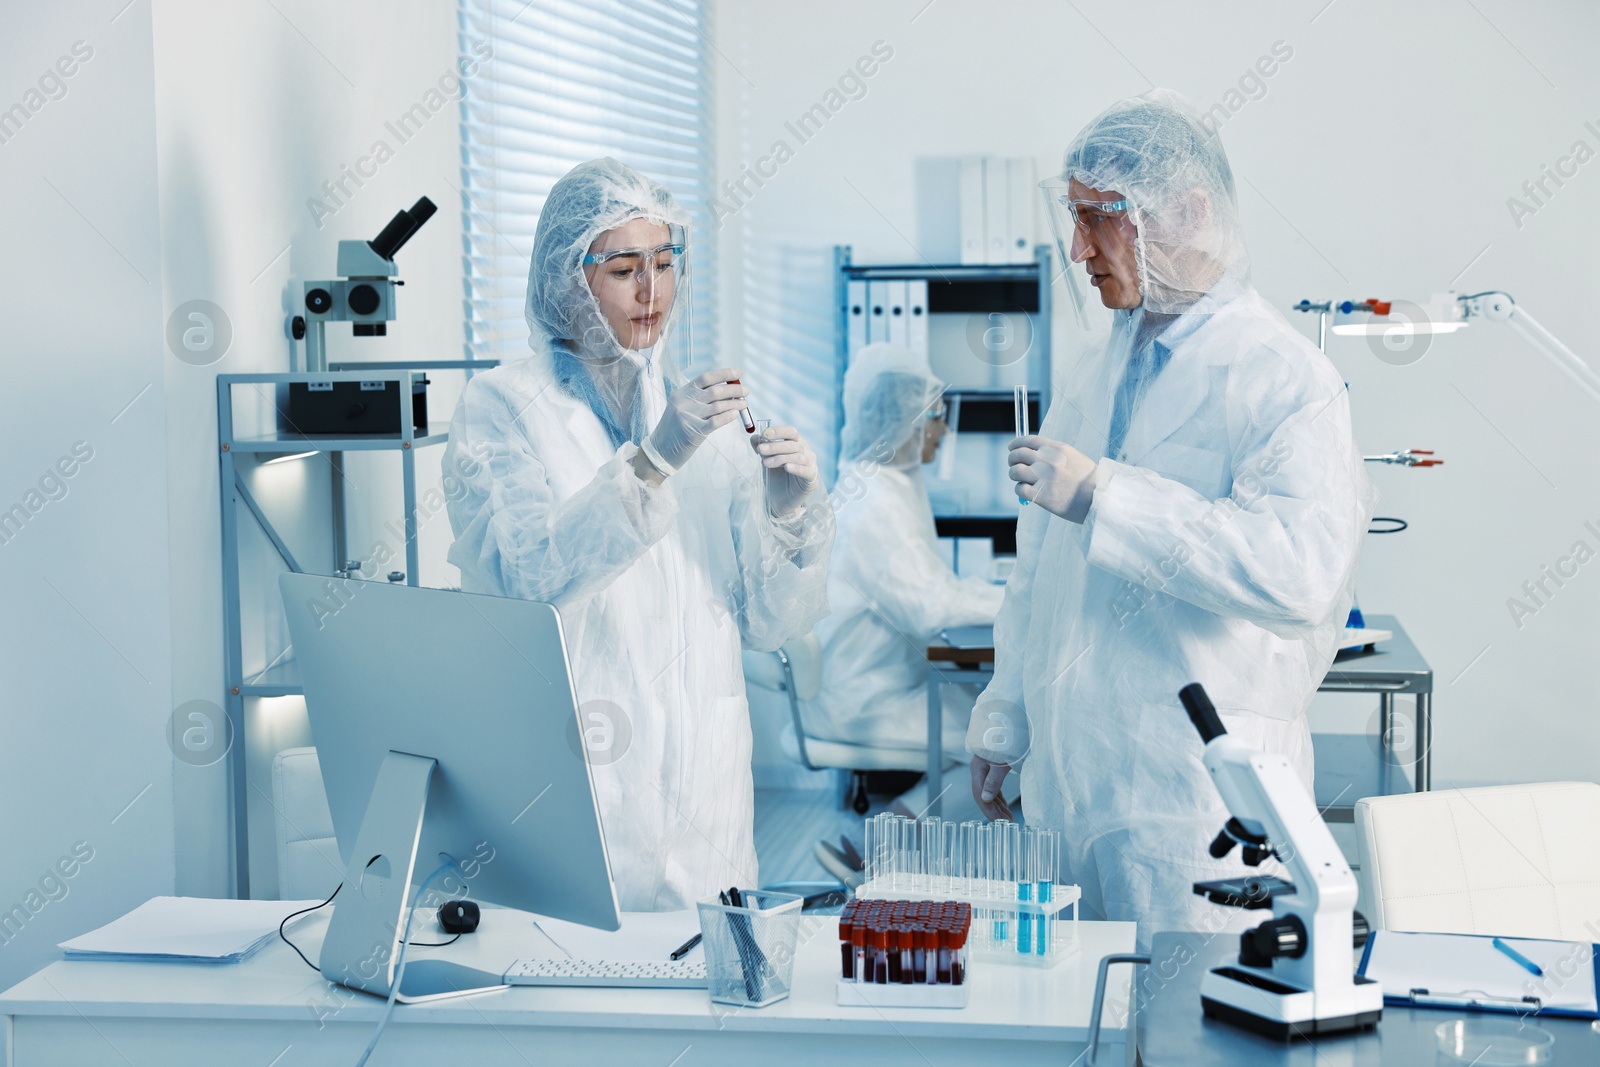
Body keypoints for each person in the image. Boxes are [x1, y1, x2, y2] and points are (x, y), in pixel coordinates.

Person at [966, 91, 1376, 948]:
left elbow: (1299, 572)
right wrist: (1006, 716)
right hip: (1073, 791)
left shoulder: (1286, 380)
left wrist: (1109, 499)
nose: (1077, 249)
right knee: (1076, 1023)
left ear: (1187, 211)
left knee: (1194, 1035)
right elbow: (1037, 570)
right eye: (1071, 219)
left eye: (1098, 220)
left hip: (1197, 805)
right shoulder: (1092, 370)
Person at [443, 158, 833, 911]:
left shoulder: (701, 415)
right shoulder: (503, 408)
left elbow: (769, 619)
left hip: (709, 813)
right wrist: (651, 463)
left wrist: (790, 513)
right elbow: (528, 583)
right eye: (624, 268)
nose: (652, 291)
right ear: (567, 278)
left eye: (665, 263)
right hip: (582, 797)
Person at [808, 344, 1005, 882]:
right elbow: (930, 607)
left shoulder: (886, 483)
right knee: (1009, 738)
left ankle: (887, 842)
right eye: (936, 416)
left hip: (884, 684)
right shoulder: (870, 504)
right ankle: (887, 848)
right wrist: (1018, 600)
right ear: (903, 421)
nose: (944, 432)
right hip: (865, 698)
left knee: (999, 730)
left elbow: (931, 589)